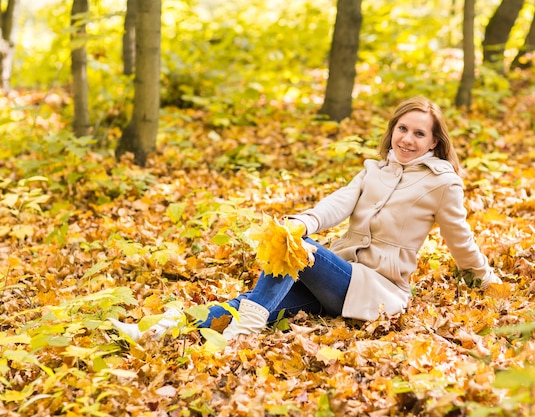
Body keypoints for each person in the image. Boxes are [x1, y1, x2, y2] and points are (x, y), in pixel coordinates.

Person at [110, 96, 502, 342]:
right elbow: (338, 203)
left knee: (295, 250)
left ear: (433, 142)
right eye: (402, 128)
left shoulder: (442, 184)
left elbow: (460, 239)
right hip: (336, 279)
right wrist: (300, 223)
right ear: (392, 130)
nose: (407, 139)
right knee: (251, 297)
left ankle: (243, 333)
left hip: (379, 291)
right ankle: (157, 329)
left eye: (419, 134)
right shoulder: (374, 170)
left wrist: (484, 277)